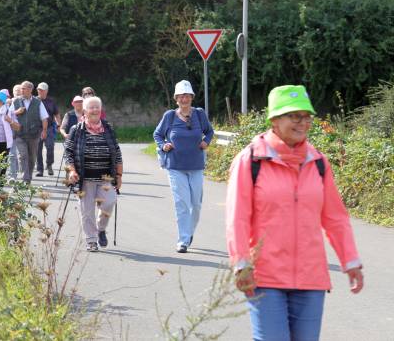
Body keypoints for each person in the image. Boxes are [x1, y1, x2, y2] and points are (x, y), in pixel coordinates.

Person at [226, 85, 363, 341]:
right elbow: (237, 218)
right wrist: (241, 262)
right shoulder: (251, 161)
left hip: (311, 278)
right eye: (295, 116)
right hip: (264, 276)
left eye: (307, 116)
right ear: (275, 120)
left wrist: (350, 261)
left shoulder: (318, 163)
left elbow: (335, 217)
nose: (303, 123)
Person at [153, 80, 214, 253]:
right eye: (181, 96)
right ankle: (183, 240)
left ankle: (189, 232)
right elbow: (157, 134)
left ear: (192, 97)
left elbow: (209, 131)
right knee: (182, 203)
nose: (184, 99)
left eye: (187, 95)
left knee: (196, 204)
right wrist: (163, 145)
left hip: (196, 166)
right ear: (176, 99)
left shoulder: (200, 114)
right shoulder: (170, 116)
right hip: (175, 166)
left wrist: (205, 141)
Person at [64, 96, 123, 252]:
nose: (95, 110)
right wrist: (72, 171)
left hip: (106, 177)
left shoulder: (108, 128)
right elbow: (68, 153)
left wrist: (119, 176)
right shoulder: (76, 130)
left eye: (97, 107)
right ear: (85, 111)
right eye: (91, 107)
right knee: (86, 210)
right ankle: (91, 240)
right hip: (85, 178)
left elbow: (117, 153)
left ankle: (101, 228)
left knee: (109, 202)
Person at [11, 81, 48, 184]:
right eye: (21, 88)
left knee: (32, 157)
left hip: (34, 135)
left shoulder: (38, 102)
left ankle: (28, 177)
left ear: (30, 89)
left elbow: (44, 118)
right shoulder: (15, 101)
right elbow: (9, 116)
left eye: (24, 88)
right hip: (20, 134)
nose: (21, 90)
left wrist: (44, 131)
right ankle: (25, 178)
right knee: (23, 155)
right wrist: (17, 112)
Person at [36, 82, 61, 177]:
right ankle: (40, 170)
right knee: (38, 149)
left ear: (46, 91)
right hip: (37, 128)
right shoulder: (34, 100)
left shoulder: (51, 101)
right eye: (38, 89)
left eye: (42, 90)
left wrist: (59, 124)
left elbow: (57, 114)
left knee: (50, 147)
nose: (40, 91)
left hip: (50, 127)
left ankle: (49, 164)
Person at [7, 84, 23, 180]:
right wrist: (17, 112)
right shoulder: (9, 102)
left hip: (23, 130)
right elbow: (7, 115)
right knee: (12, 153)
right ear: (13, 92)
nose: (17, 91)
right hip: (12, 129)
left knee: (22, 153)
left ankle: (20, 171)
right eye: (15, 90)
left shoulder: (25, 101)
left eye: (19, 89)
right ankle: (13, 175)